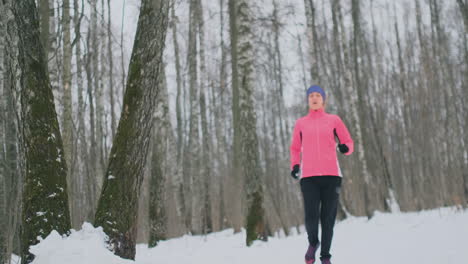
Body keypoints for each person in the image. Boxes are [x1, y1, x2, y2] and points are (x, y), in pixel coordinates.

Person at [290, 85, 354, 264]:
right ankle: (313, 243)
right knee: (311, 217)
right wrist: (295, 166)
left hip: (332, 176)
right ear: (308, 100)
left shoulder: (333, 120)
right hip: (309, 177)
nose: (314, 98)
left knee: (328, 219)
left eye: (318, 95)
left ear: (323, 99)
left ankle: (325, 256)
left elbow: (348, 142)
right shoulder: (301, 123)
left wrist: (345, 148)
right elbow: (295, 148)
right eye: (311, 95)